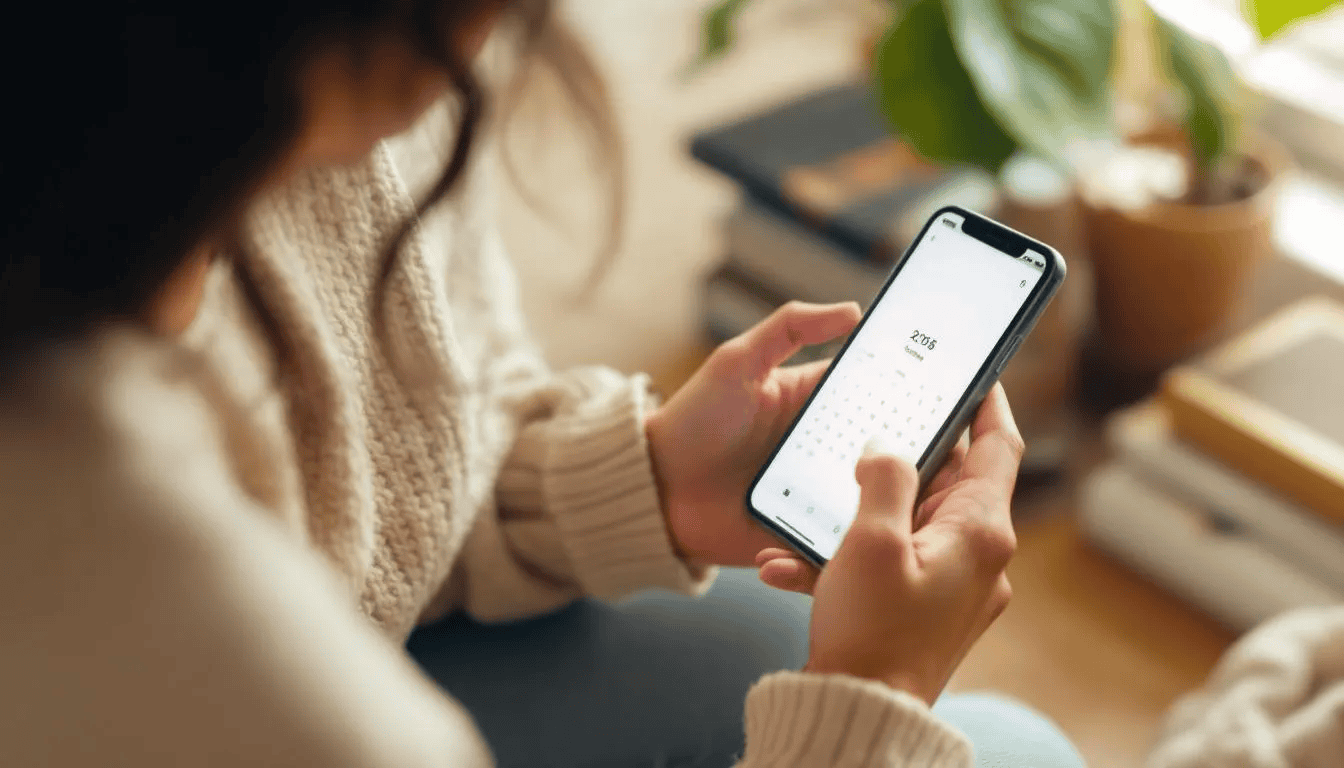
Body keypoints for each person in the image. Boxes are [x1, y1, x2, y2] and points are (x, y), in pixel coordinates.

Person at [0, 2, 1085, 766]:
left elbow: (357, 487)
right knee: (1019, 750)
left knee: (764, 626)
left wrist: (645, 483)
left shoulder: (288, 108)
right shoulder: (165, 634)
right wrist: (873, 703)